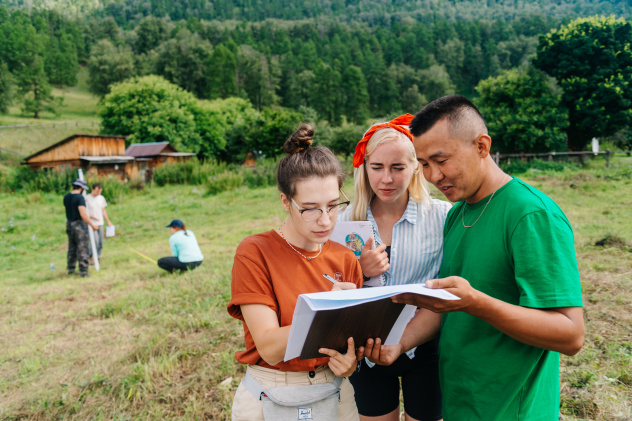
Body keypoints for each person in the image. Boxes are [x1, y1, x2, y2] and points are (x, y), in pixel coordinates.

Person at [358, 95, 584, 421]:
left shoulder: (530, 214)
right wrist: (400, 344)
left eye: (441, 160)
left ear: (482, 146)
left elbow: (571, 335)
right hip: (462, 400)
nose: (433, 176)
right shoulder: (457, 214)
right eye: (423, 164)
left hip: (511, 408)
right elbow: (445, 304)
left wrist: (475, 302)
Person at [227, 124, 363, 421]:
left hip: (336, 391)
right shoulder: (254, 252)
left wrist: (351, 361)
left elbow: (350, 341)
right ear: (286, 202)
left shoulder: (345, 259)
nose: (325, 220)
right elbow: (270, 347)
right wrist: (325, 306)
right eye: (310, 208)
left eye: (333, 206)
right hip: (271, 392)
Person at [340, 114, 450, 421]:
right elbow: (329, 284)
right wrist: (360, 270)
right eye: (377, 167)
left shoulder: (441, 217)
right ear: (364, 168)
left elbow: (449, 286)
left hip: (424, 346)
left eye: (397, 167)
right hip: (367, 348)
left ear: (416, 166)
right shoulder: (346, 221)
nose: (386, 179)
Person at [64, 179, 99, 277]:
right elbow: (83, 213)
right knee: (82, 247)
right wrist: (92, 225)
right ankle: (83, 270)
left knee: (72, 247)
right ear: (81, 188)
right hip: (79, 225)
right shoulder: (80, 198)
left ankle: (71, 268)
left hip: (69, 224)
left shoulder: (66, 197)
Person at [85, 182, 113, 260]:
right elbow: (84, 212)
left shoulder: (101, 198)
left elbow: (103, 210)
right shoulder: (87, 198)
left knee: (100, 242)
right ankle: (90, 255)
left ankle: (98, 257)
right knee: (95, 242)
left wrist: (108, 221)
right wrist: (92, 217)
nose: (98, 193)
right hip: (92, 224)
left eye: (100, 191)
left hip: (100, 223)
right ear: (92, 189)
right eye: (97, 191)